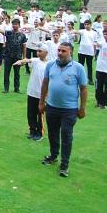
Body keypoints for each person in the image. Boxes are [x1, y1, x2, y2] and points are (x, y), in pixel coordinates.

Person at [39, 42, 88, 178]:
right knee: (53, 133)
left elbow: (83, 89)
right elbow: (45, 84)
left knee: (66, 136)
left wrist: (82, 108)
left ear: (70, 52)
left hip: (69, 109)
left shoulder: (78, 68)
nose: (60, 53)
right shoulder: (50, 65)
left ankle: (64, 165)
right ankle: (53, 155)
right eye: (59, 50)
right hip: (52, 107)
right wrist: (41, 102)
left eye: (63, 51)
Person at [13, 43, 49, 141]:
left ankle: (39, 133)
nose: (38, 53)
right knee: (31, 114)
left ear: (46, 53)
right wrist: (20, 61)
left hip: (41, 95)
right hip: (32, 92)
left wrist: (47, 94)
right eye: (37, 51)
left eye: (40, 51)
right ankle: (32, 131)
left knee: (40, 114)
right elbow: (27, 60)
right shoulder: (35, 61)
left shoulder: (49, 65)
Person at [0, 19, 27, 93]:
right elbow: (1, 31)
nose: (14, 25)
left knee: (17, 73)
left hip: (18, 56)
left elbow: (24, 47)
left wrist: (24, 58)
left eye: (16, 24)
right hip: (8, 55)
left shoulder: (22, 35)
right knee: (6, 72)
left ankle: (16, 89)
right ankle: (6, 89)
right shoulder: (8, 33)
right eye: (13, 24)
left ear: (19, 25)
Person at [72, 20, 98, 85]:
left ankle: (90, 79)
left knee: (89, 66)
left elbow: (95, 43)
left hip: (90, 52)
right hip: (81, 51)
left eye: (87, 24)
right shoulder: (83, 31)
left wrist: (95, 53)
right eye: (85, 24)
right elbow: (75, 31)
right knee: (80, 65)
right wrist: (73, 30)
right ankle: (78, 78)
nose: (86, 26)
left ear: (90, 24)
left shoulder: (94, 33)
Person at [93, 28, 107, 109]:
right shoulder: (101, 42)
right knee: (98, 86)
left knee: (106, 87)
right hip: (100, 68)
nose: (106, 36)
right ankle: (98, 102)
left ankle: (104, 103)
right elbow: (95, 44)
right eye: (105, 34)